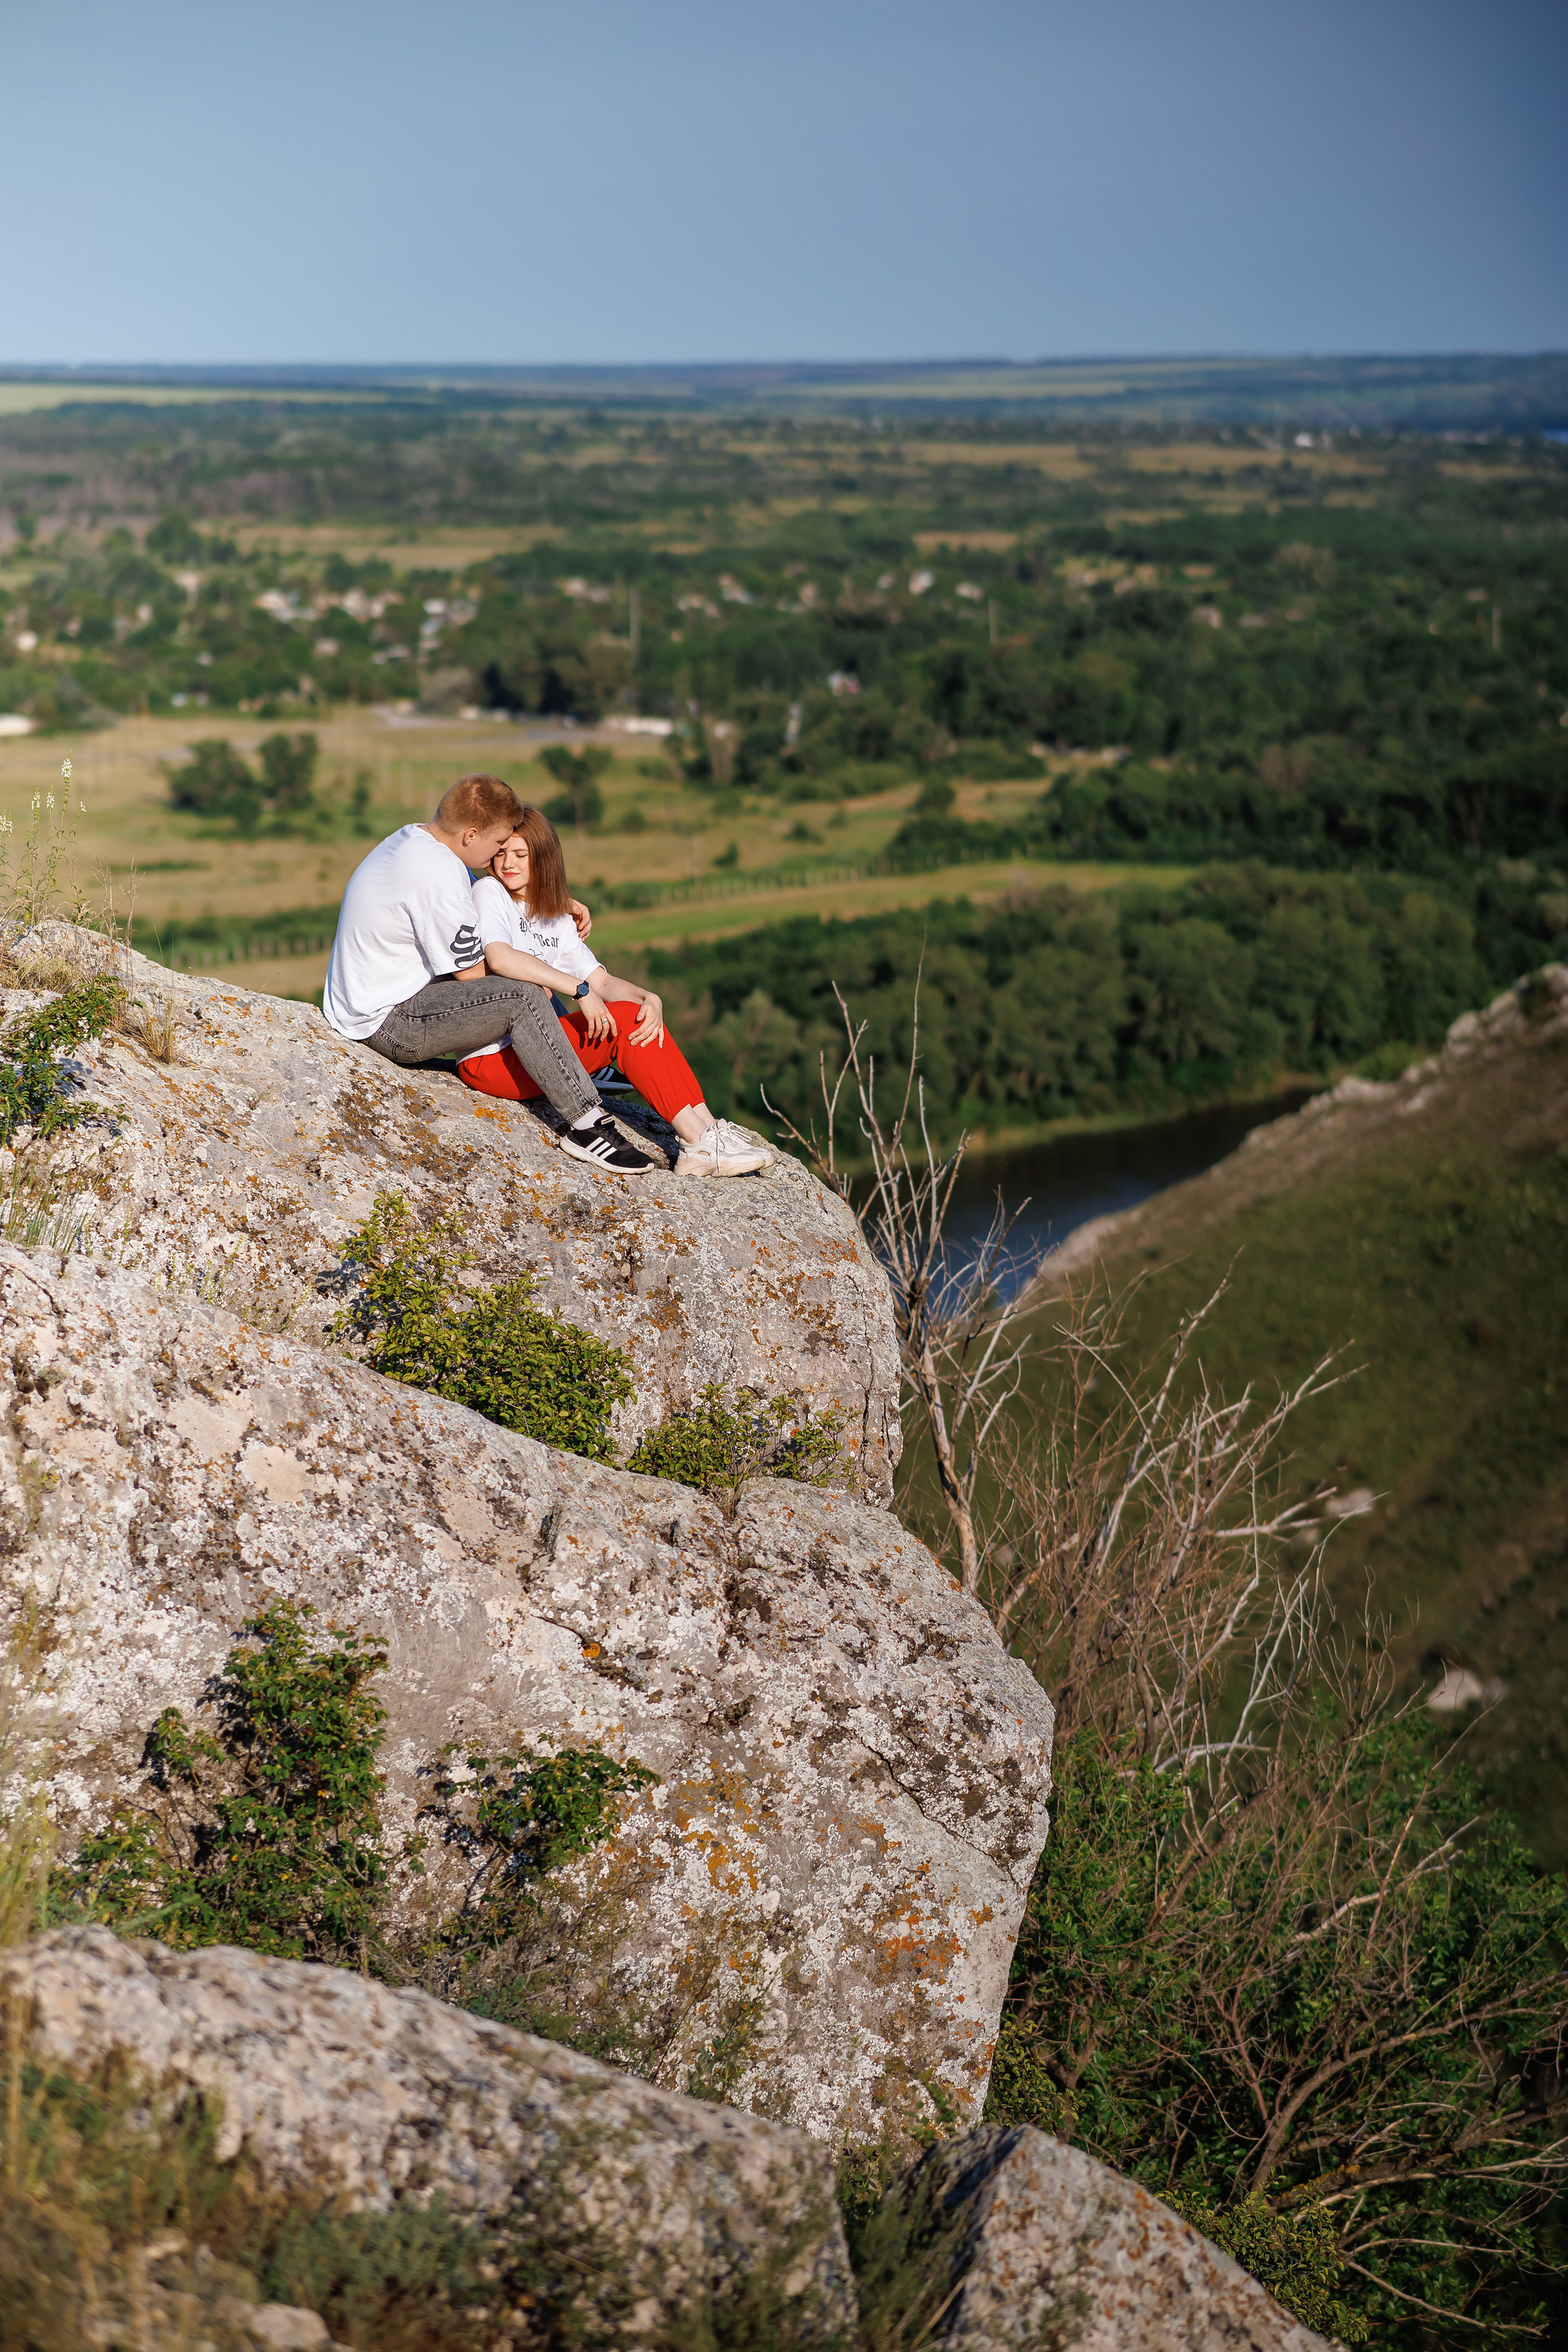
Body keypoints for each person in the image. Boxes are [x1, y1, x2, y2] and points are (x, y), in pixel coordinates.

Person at [322, 771, 656, 1175]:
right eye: (498, 844)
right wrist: (566, 981)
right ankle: (586, 1126)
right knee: (520, 992)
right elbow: (476, 978)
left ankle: (570, 1058)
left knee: (523, 970)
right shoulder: (439, 876)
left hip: (366, 999)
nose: (499, 858)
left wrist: (552, 901)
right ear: (471, 835)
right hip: (388, 1023)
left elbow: (471, 893)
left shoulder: (415, 840)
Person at [457, 806, 773, 1179]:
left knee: (636, 1013)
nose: (508, 863)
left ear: (544, 858)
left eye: (521, 854)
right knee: (622, 1021)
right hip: (495, 1058)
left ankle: (707, 1131)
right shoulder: (490, 892)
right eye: (501, 852)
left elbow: (602, 982)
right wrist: (579, 990)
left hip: (540, 1051)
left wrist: (648, 998)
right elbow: (501, 957)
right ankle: (695, 1141)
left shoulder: (555, 915)